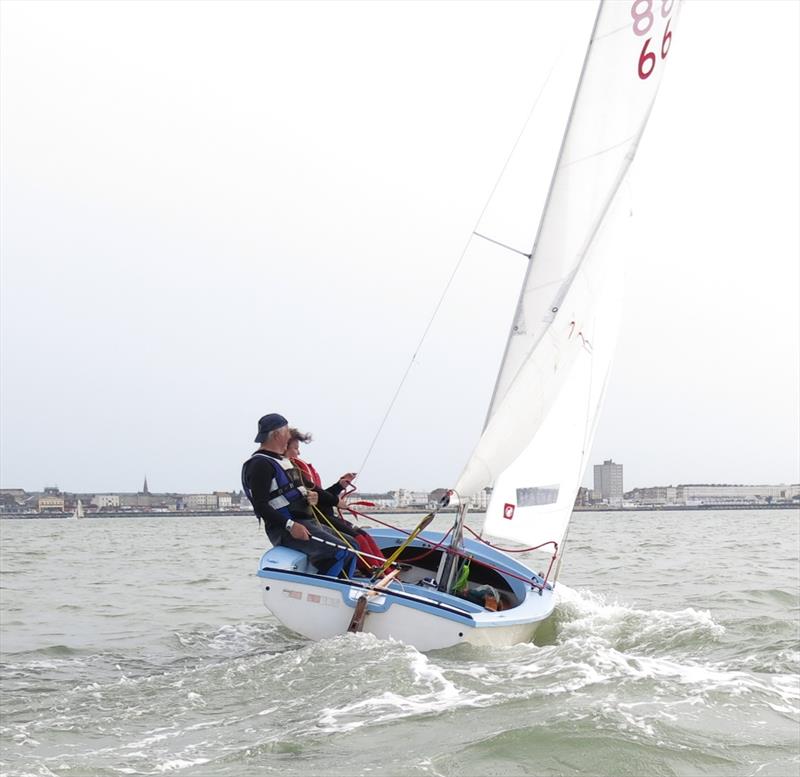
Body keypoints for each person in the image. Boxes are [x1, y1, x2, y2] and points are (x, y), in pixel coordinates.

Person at [241, 413, 356, 578]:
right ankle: (322, 591)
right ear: (276, 435)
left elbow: (301, 491)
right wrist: (290, 526)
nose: (289, 435)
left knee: (353, 545)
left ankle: (346, 588)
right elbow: (261, 506)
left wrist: (313, 498)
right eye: (286, 431)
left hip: (307, 522)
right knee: (340, 551)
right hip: (285, 529)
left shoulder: (282, 461)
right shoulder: (260, 464)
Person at [286, 427, 387, 573]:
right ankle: (374, 572)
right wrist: (336, 500)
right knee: (358, 540)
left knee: (365, 536)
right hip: (318, 518)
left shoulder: (299, 468)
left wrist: (339, 486)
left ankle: (386, 569)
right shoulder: (291, 471)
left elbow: (320, 494)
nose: (299, 452)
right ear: (284, 447)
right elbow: (319, 495)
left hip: (325, 514)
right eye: (296, 448)